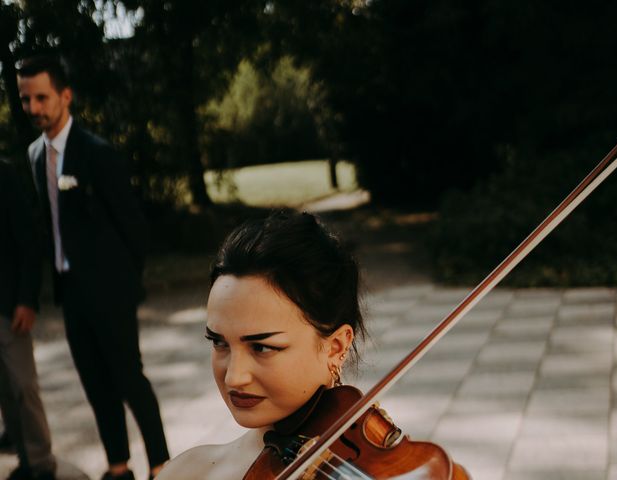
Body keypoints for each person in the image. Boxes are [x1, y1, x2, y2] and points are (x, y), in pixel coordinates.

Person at [16, 55, 169, 480]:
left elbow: (134, 228)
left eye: (42, 97)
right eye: (26, 99)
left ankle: (160, 463)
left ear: (65, 95)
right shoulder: (33, 155)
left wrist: (123, 283)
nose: (33, 108)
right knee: (95, 384)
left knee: (129, 379)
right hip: (71, 290)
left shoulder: (97, 154)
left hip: (110, 290)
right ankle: (118, 466)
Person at [156, 211, 364, 479]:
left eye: (262, 347)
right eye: (219, 342)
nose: (234, 377)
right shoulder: (185, 473)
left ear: (335, 347)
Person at [0, 158, 56, 480]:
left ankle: (42, 463)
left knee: (24, 385)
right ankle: (25, 461)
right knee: (4, 390)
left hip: (8, 305)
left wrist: (26, 300)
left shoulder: (4, 174)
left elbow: (28, 241)